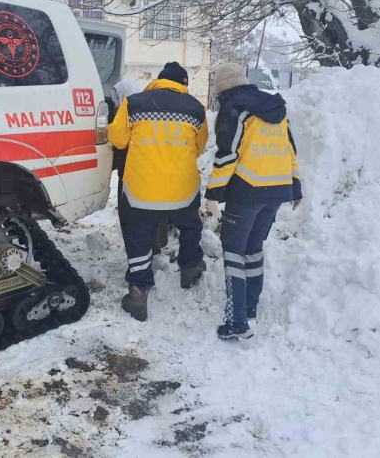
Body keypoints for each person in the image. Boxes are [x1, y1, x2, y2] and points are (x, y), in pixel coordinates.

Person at [205, 63, 302, 340]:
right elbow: (290, 150)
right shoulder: (276, 108)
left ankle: (236, 322)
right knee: (253, 249)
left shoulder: (235, 109)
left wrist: (213, 194)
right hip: (278, 190)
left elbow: (227, 156)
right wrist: (295, 186)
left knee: (234, 250)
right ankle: (249, 310)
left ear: (222, 87)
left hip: (248, 190)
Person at [109, 62, 208, 321]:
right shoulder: (196, 108)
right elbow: (199, 148)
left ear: (158, 81)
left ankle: (139, 292)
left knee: (139, 236)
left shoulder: (135, 103)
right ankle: (190, 269)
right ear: (183, 84)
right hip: (182, 189)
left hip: (142, 189)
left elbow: (117, 139)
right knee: (190, 227)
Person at [110, 80, 170, 254]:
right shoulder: (153, 111)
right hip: (156, 173)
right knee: (155, 213)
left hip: (132, 176)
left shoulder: (127, 114)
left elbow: (120, 145)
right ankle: (155, 248)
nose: (115, 104)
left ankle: (142, 253)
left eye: (116, 99)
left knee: (132, 218)